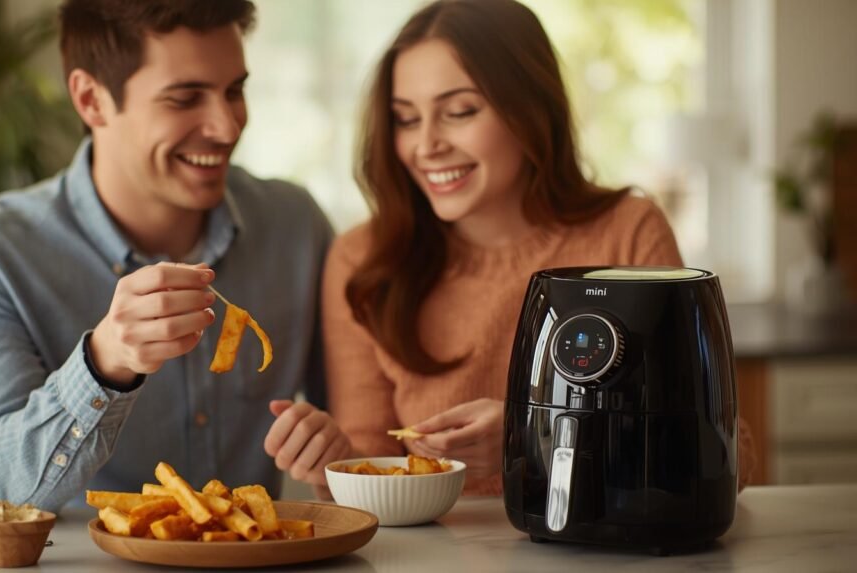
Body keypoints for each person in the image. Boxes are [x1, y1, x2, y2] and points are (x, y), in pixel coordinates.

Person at [316, 0, 756, 495]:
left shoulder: (628, 233)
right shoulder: (364, 261)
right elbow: (367, 464)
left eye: (459, 111)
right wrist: (325, 460)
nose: (426, 145)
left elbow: (723, 454)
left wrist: (531, 436)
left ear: (530, 107)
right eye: (405, 119)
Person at [0, 0, 339, 513]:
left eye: (234, 90)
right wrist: (104, 365)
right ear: (90, 99)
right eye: (185, 98)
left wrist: (336, 460)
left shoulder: (296, 227)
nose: (228, 127)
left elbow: (356, 438)